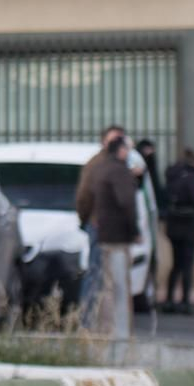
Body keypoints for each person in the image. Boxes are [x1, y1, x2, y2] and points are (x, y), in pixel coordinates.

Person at [76, 135, 140, 336]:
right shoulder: (114, 170)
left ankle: (90, 325)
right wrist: (134, 231)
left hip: (101, 228)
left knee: (98, 277)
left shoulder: (101, 167)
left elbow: (84, 196)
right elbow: (126, 203)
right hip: (113, 233)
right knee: (112, 283)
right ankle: (108, 329)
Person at [162, 148, 194, 313]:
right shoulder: (192, 178)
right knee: (187, 264)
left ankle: (169, 300)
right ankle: (185, 301)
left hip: (173, 225)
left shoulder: (172, 176)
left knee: (176, 264)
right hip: (188, 225)